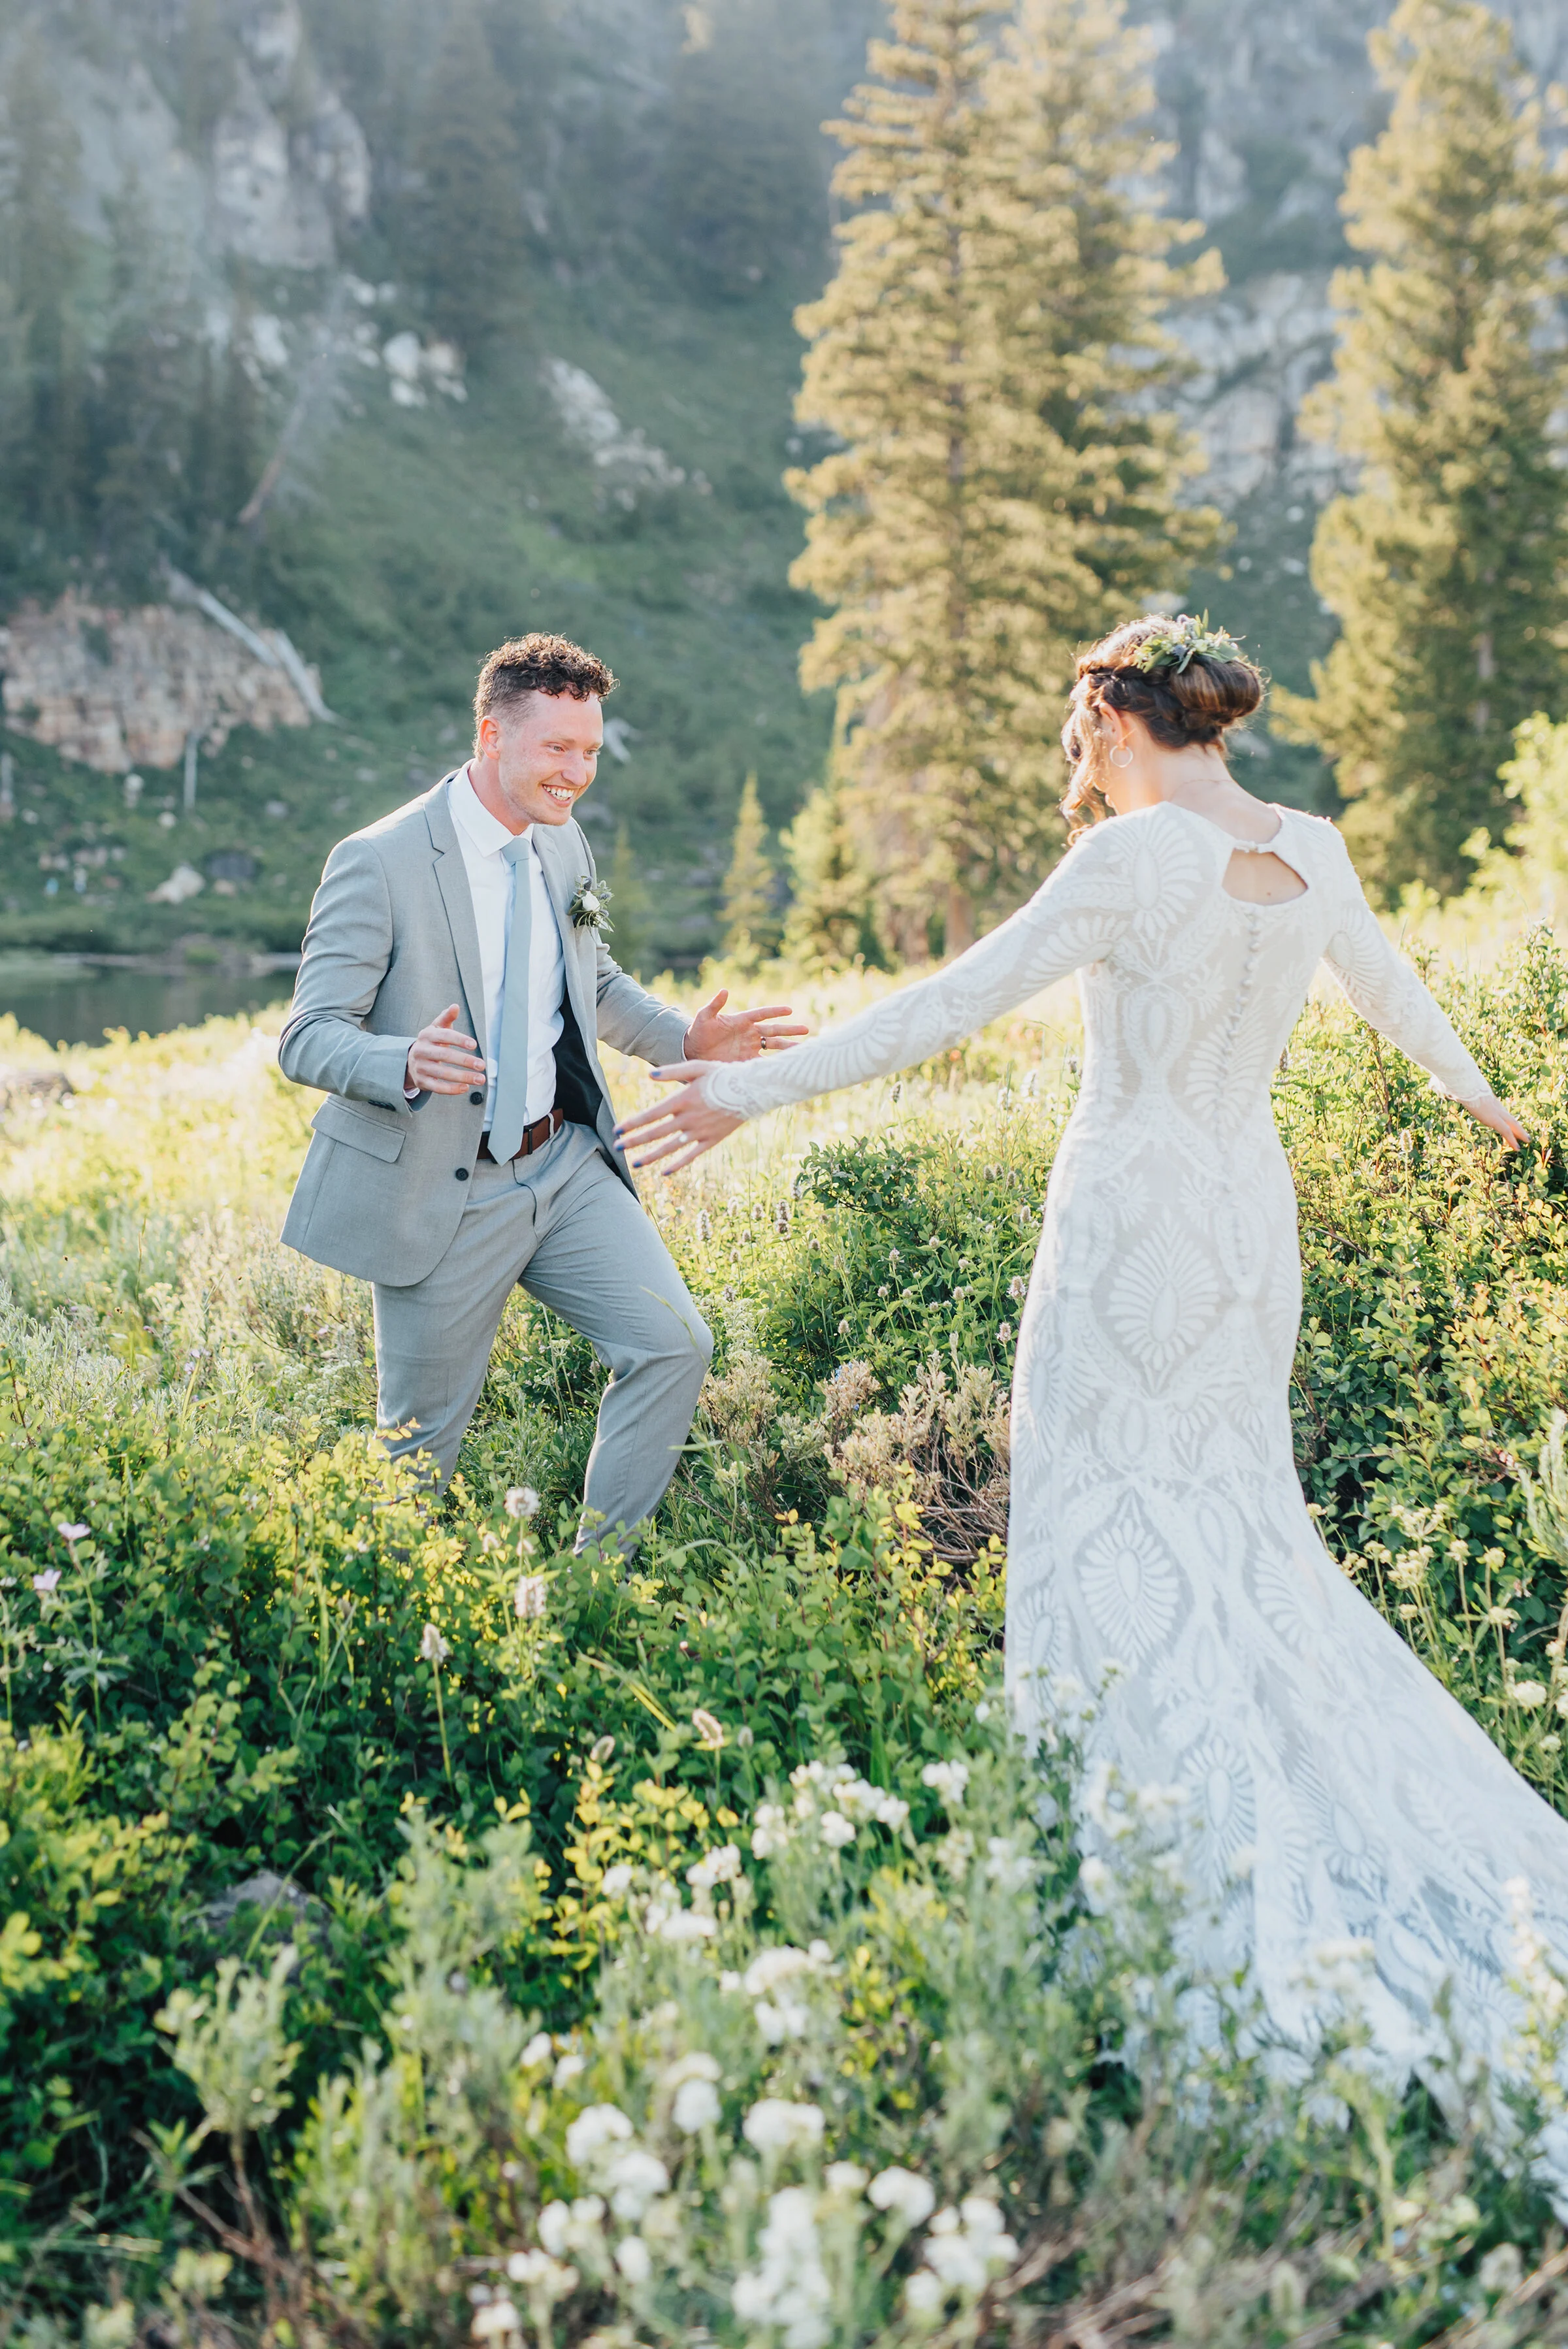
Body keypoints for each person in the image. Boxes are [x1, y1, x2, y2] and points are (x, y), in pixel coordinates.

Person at [620, 613, 1568, 2162]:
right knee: (1237, 1520)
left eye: (1084, 747)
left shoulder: (1131, 861)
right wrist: (1482, 1099)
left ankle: (1141, 1847)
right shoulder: (1309, 844)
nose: (1083, 773)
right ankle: (1267, 1797)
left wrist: (743, 1092)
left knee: (1106, 1508)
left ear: (1119, 726)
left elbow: (945, 1008)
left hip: (1132, 1212)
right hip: (1248, 1227)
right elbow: (1399, 1000)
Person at [278, 631, 804, 1544]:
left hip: (563, 1167)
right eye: (558, 748)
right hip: (443, 1193)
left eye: (591, 750)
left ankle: (593, 1587)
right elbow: (308, 1035)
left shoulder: (564, 848)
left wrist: (685, 1034)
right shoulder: (381, 860)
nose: (578, 773)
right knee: (415, 1457)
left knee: (674, 1343)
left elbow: (592, 983)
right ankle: (380, 1639)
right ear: (491, 735)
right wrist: (400, 1061)